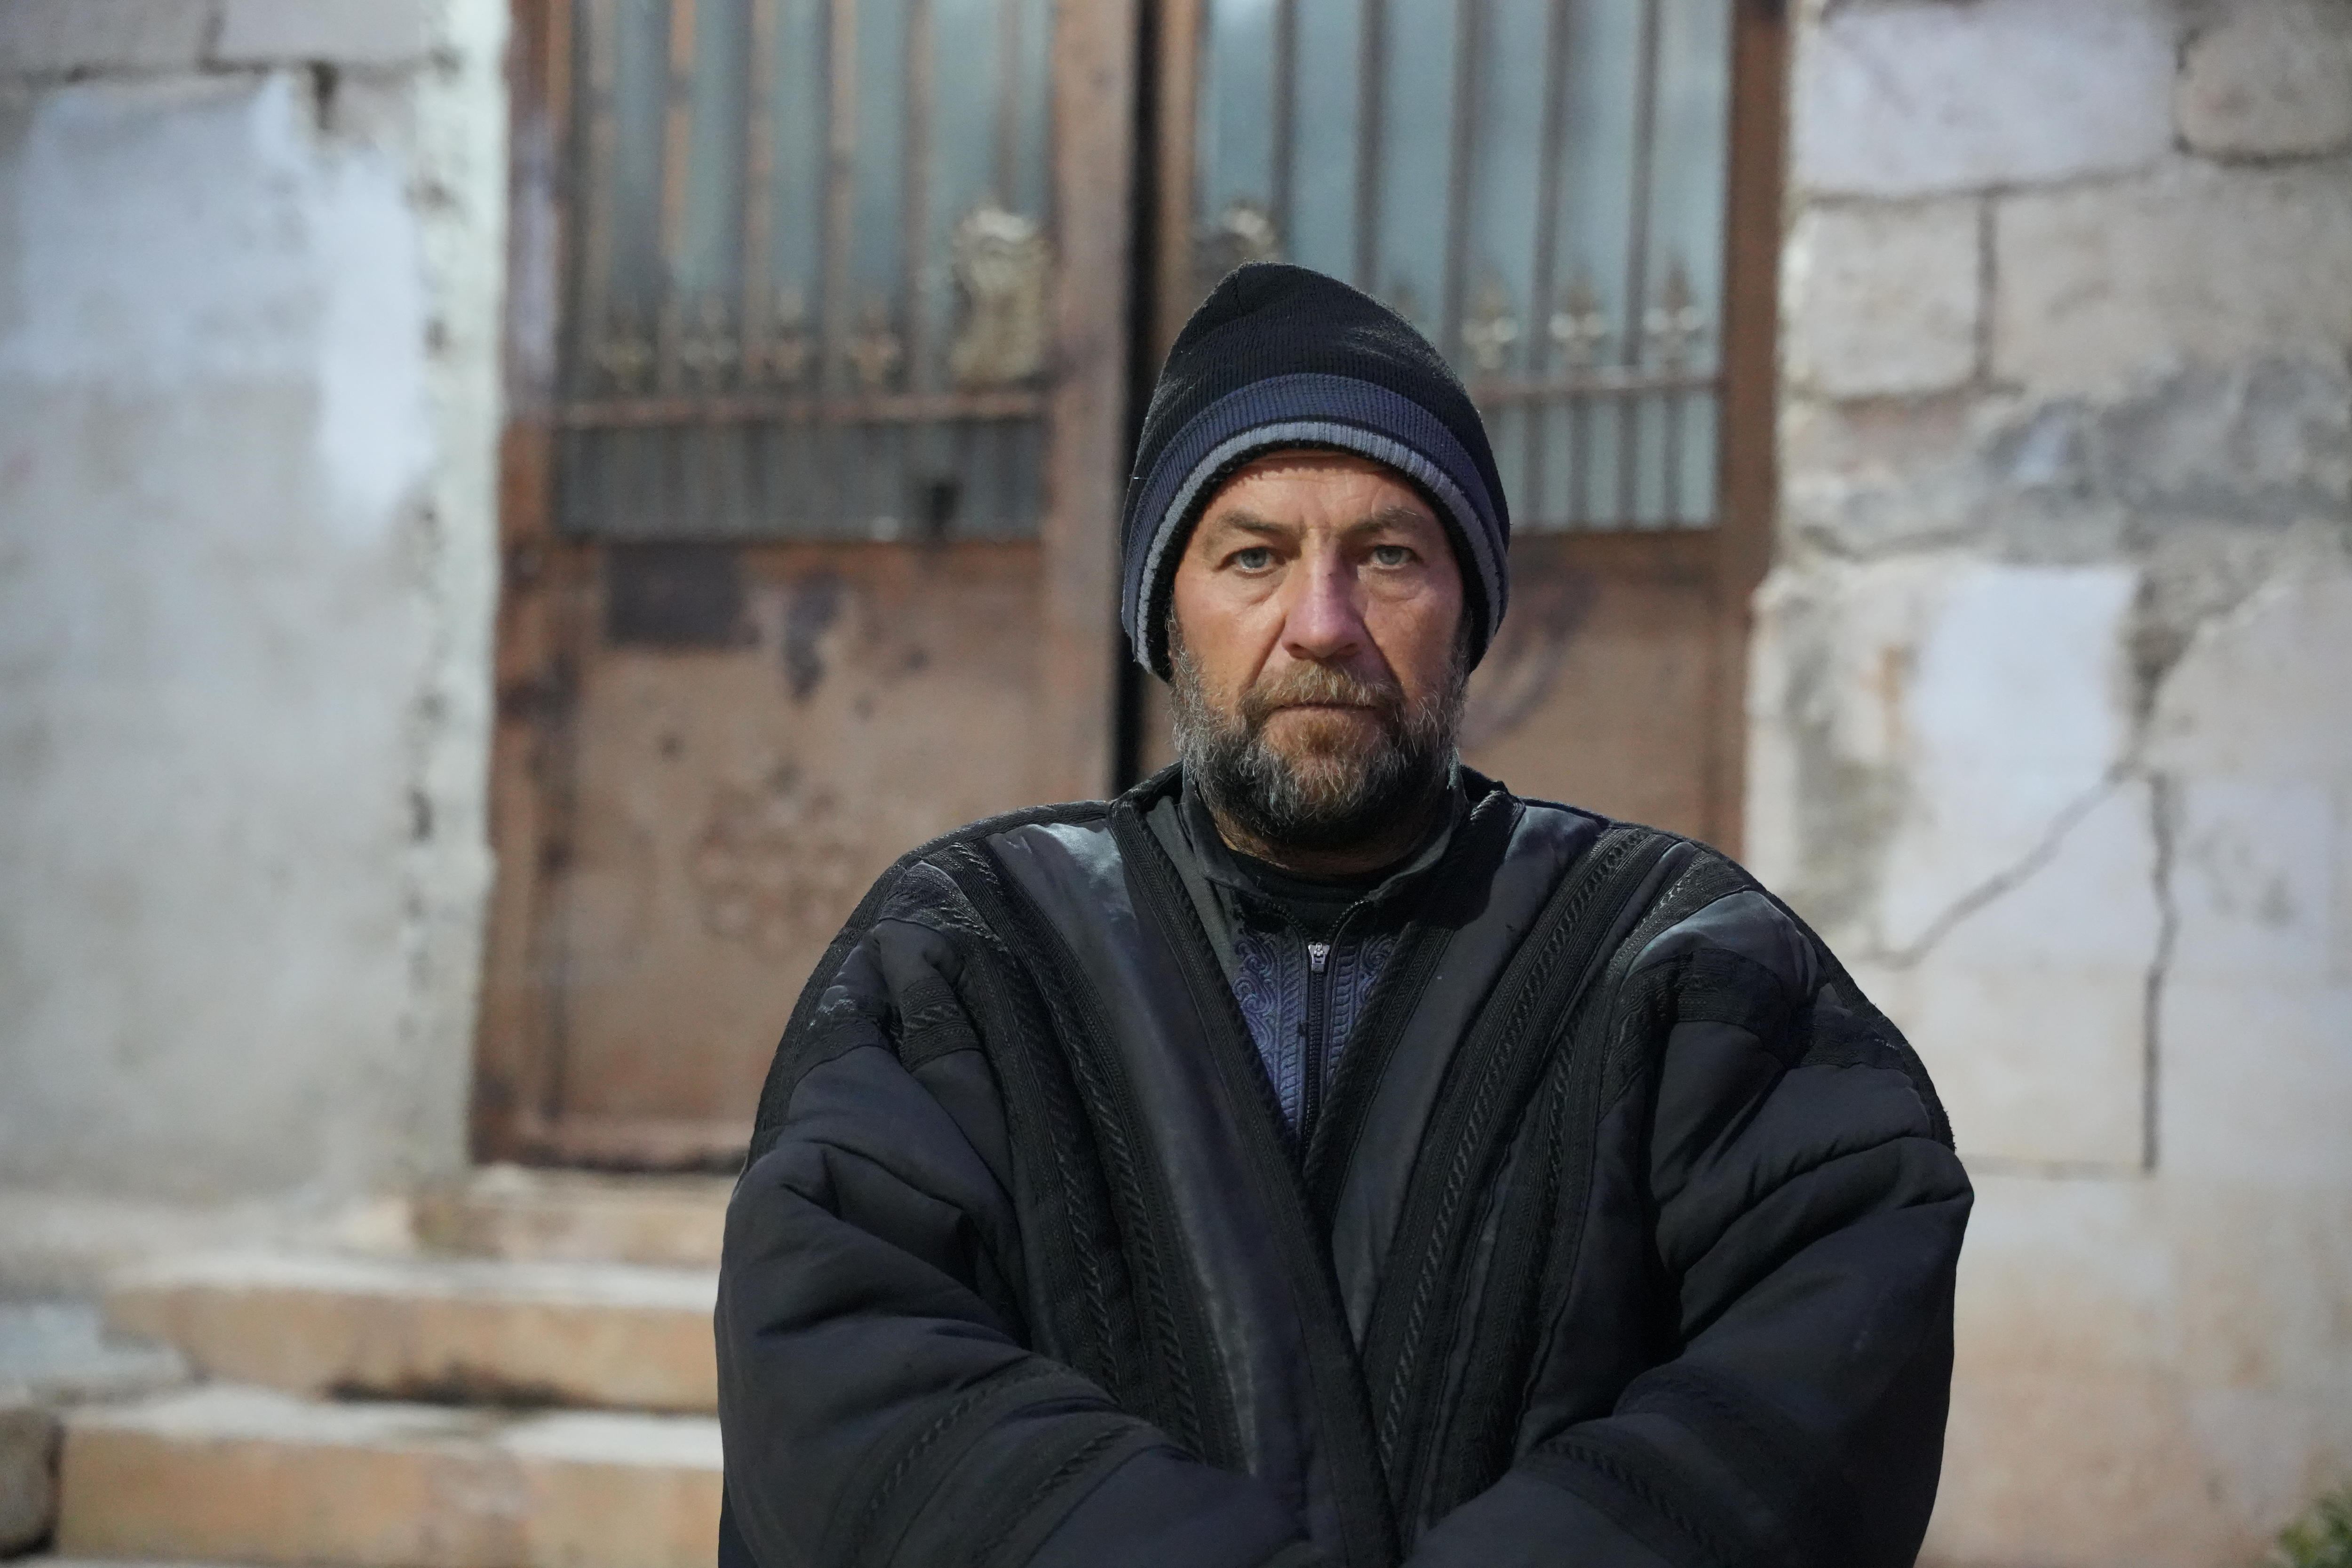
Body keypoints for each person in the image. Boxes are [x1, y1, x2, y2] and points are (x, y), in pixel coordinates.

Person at [715, 263, 1971, 1568]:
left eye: (1387, 557)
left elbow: (1821, 1363)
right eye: (1253, 556)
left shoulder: (1686, 966)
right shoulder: (963, 958)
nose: (1322, 625)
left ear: (1467, 616)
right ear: (1170, 617)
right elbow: (842, 1359)